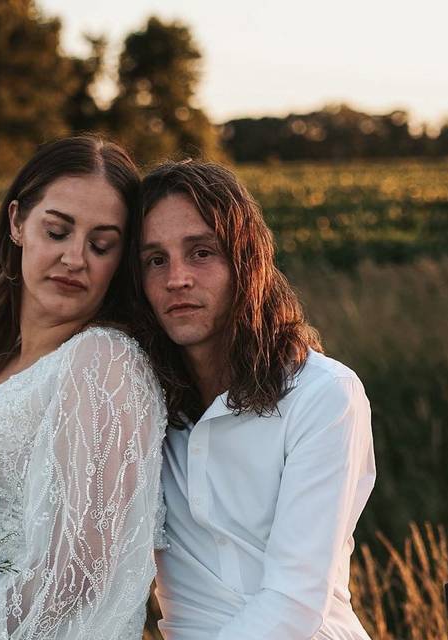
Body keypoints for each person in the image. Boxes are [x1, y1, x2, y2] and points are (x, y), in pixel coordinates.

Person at [0, 136, 167, 639]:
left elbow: (80, 566)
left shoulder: (102, 361)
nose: (74, 257)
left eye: (101, 245)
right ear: (17, 222)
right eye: (57, 231)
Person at [136, 160, 376, 639]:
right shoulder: (142, 402)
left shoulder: (323, 394)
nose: (176, 278)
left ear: (246, 262)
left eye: (201, 252)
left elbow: (292, 602)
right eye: (155, 260)